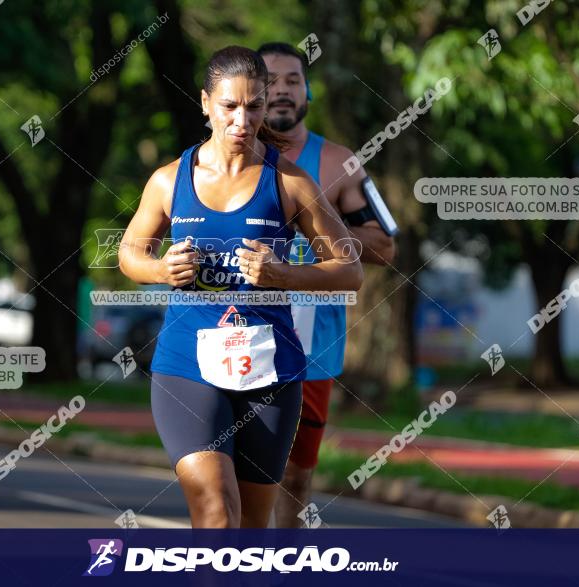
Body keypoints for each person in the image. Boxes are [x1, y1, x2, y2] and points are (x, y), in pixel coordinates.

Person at [118, 46, 363, 528]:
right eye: (229, 106)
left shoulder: (290, 182)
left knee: (250, 534)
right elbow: (129, 254)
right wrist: (162, 269)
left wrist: (285, 275)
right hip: (187, 365)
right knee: (215, 514)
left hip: (271, 374)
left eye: (253, 106)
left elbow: (349, 269)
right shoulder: (169, 181)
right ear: (206, 103)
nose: (241, 119)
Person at [257, 42, 396, 528]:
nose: (281, 91)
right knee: (233, 470)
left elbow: (385, 246)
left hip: (310, 345)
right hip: (231, 335)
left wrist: (319, 232)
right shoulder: (222, 160)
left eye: (293, 80)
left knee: (295, 476)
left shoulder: (340, 163)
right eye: (270, 80)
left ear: (307, 90)